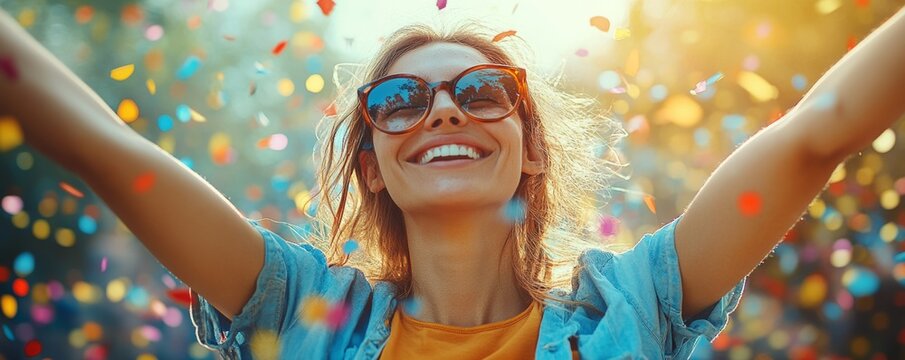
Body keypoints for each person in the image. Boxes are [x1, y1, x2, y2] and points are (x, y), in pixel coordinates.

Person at [1, 4, 904, 359]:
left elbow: (816, 134)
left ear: (531, 146)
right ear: (371, 162)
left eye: (480, 93)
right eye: (399, 100)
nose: (441, 113)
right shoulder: (292, 310)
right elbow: (104, 153)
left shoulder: (639, 305)